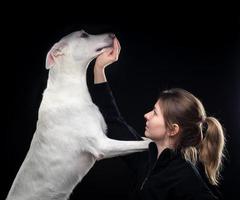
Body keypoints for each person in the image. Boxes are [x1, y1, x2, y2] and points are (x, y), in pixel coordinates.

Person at [90, 37, 226, 200]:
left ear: (173, 129)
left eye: (155, 112)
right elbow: (112, 120)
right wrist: (99, 68)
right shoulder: (145, 155)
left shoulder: (185, 176)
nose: (146, 115)